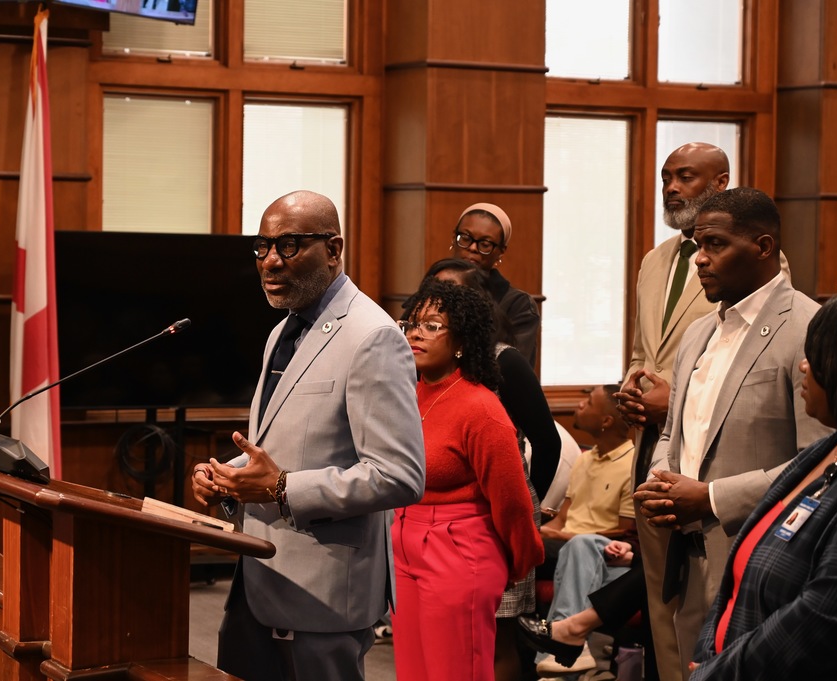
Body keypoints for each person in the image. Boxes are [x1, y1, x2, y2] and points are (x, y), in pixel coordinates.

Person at [191, 190, 426, 681]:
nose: (271, 261)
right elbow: (282, 447)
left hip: (322, 591)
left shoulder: (372, 336)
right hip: (257, 578)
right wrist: (228, 477)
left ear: (334, 249)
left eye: (290, 245)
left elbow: (399, 476)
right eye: (262, 246)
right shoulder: (283, 330)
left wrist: (281, 488)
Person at [633, 187, 831, 677]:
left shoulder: (807, 327)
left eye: (715, 244)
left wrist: (712, 498)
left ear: (763, 247)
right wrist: (661, 479)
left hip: (760, 555)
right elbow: (671, 432)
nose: (700, 259)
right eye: (698, 245)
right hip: (684, 549)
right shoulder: (698, 333)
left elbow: (823, 462)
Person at [613, 141, 731, 681]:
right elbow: (645, 352)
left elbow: (739, 356)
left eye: (685, 176)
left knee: (706, 603)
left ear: (720, 183)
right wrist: (631, 387)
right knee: (660, 600)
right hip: (650, 448)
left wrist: (674, 399)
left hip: (707, 456)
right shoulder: (655, 260)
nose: (671, 188)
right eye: (666, 177)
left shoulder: (749, 257)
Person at [689, 292, 837, 679]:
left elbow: (817, 620)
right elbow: (738, 575)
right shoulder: (825, 451)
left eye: (817, 356)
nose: (804, 366)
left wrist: (716, 672)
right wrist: (708, 653)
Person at [391, 280, 543, 681]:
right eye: (412, 324)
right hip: (403, 547)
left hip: (459, 552)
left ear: (461, 341)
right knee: (413, 674)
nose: (416, 333)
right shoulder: (406, 394)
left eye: (432, 325)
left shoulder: (481, 407)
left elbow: (512, 501)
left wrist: (519, 561)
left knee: (456, 672)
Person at [423, 258, 560, 681]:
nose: (442, 303)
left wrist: (526, 501)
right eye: (435, 293)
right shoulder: (421, 363)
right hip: (440, 523)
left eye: (454, 293)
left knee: (497, 636)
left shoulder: (504, 362)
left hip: (500, 514)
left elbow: (548, 441)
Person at [540, 385, 636, 560]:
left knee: (530, 551)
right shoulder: (583, 459)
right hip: (563, 543)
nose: (581, 404)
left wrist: (560, 536)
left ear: (606, 422)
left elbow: (623, 534)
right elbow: (561, 520)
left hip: (596, 550)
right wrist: (536, 532)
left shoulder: (632, 466)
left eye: (589, 403)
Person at [449, 202, 541, 368]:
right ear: (453, 238)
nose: (473, 248)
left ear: (500, 252)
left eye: (485, 244)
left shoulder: (518, 305)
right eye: (466, 238)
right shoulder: (430, 292)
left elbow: (512, 369)